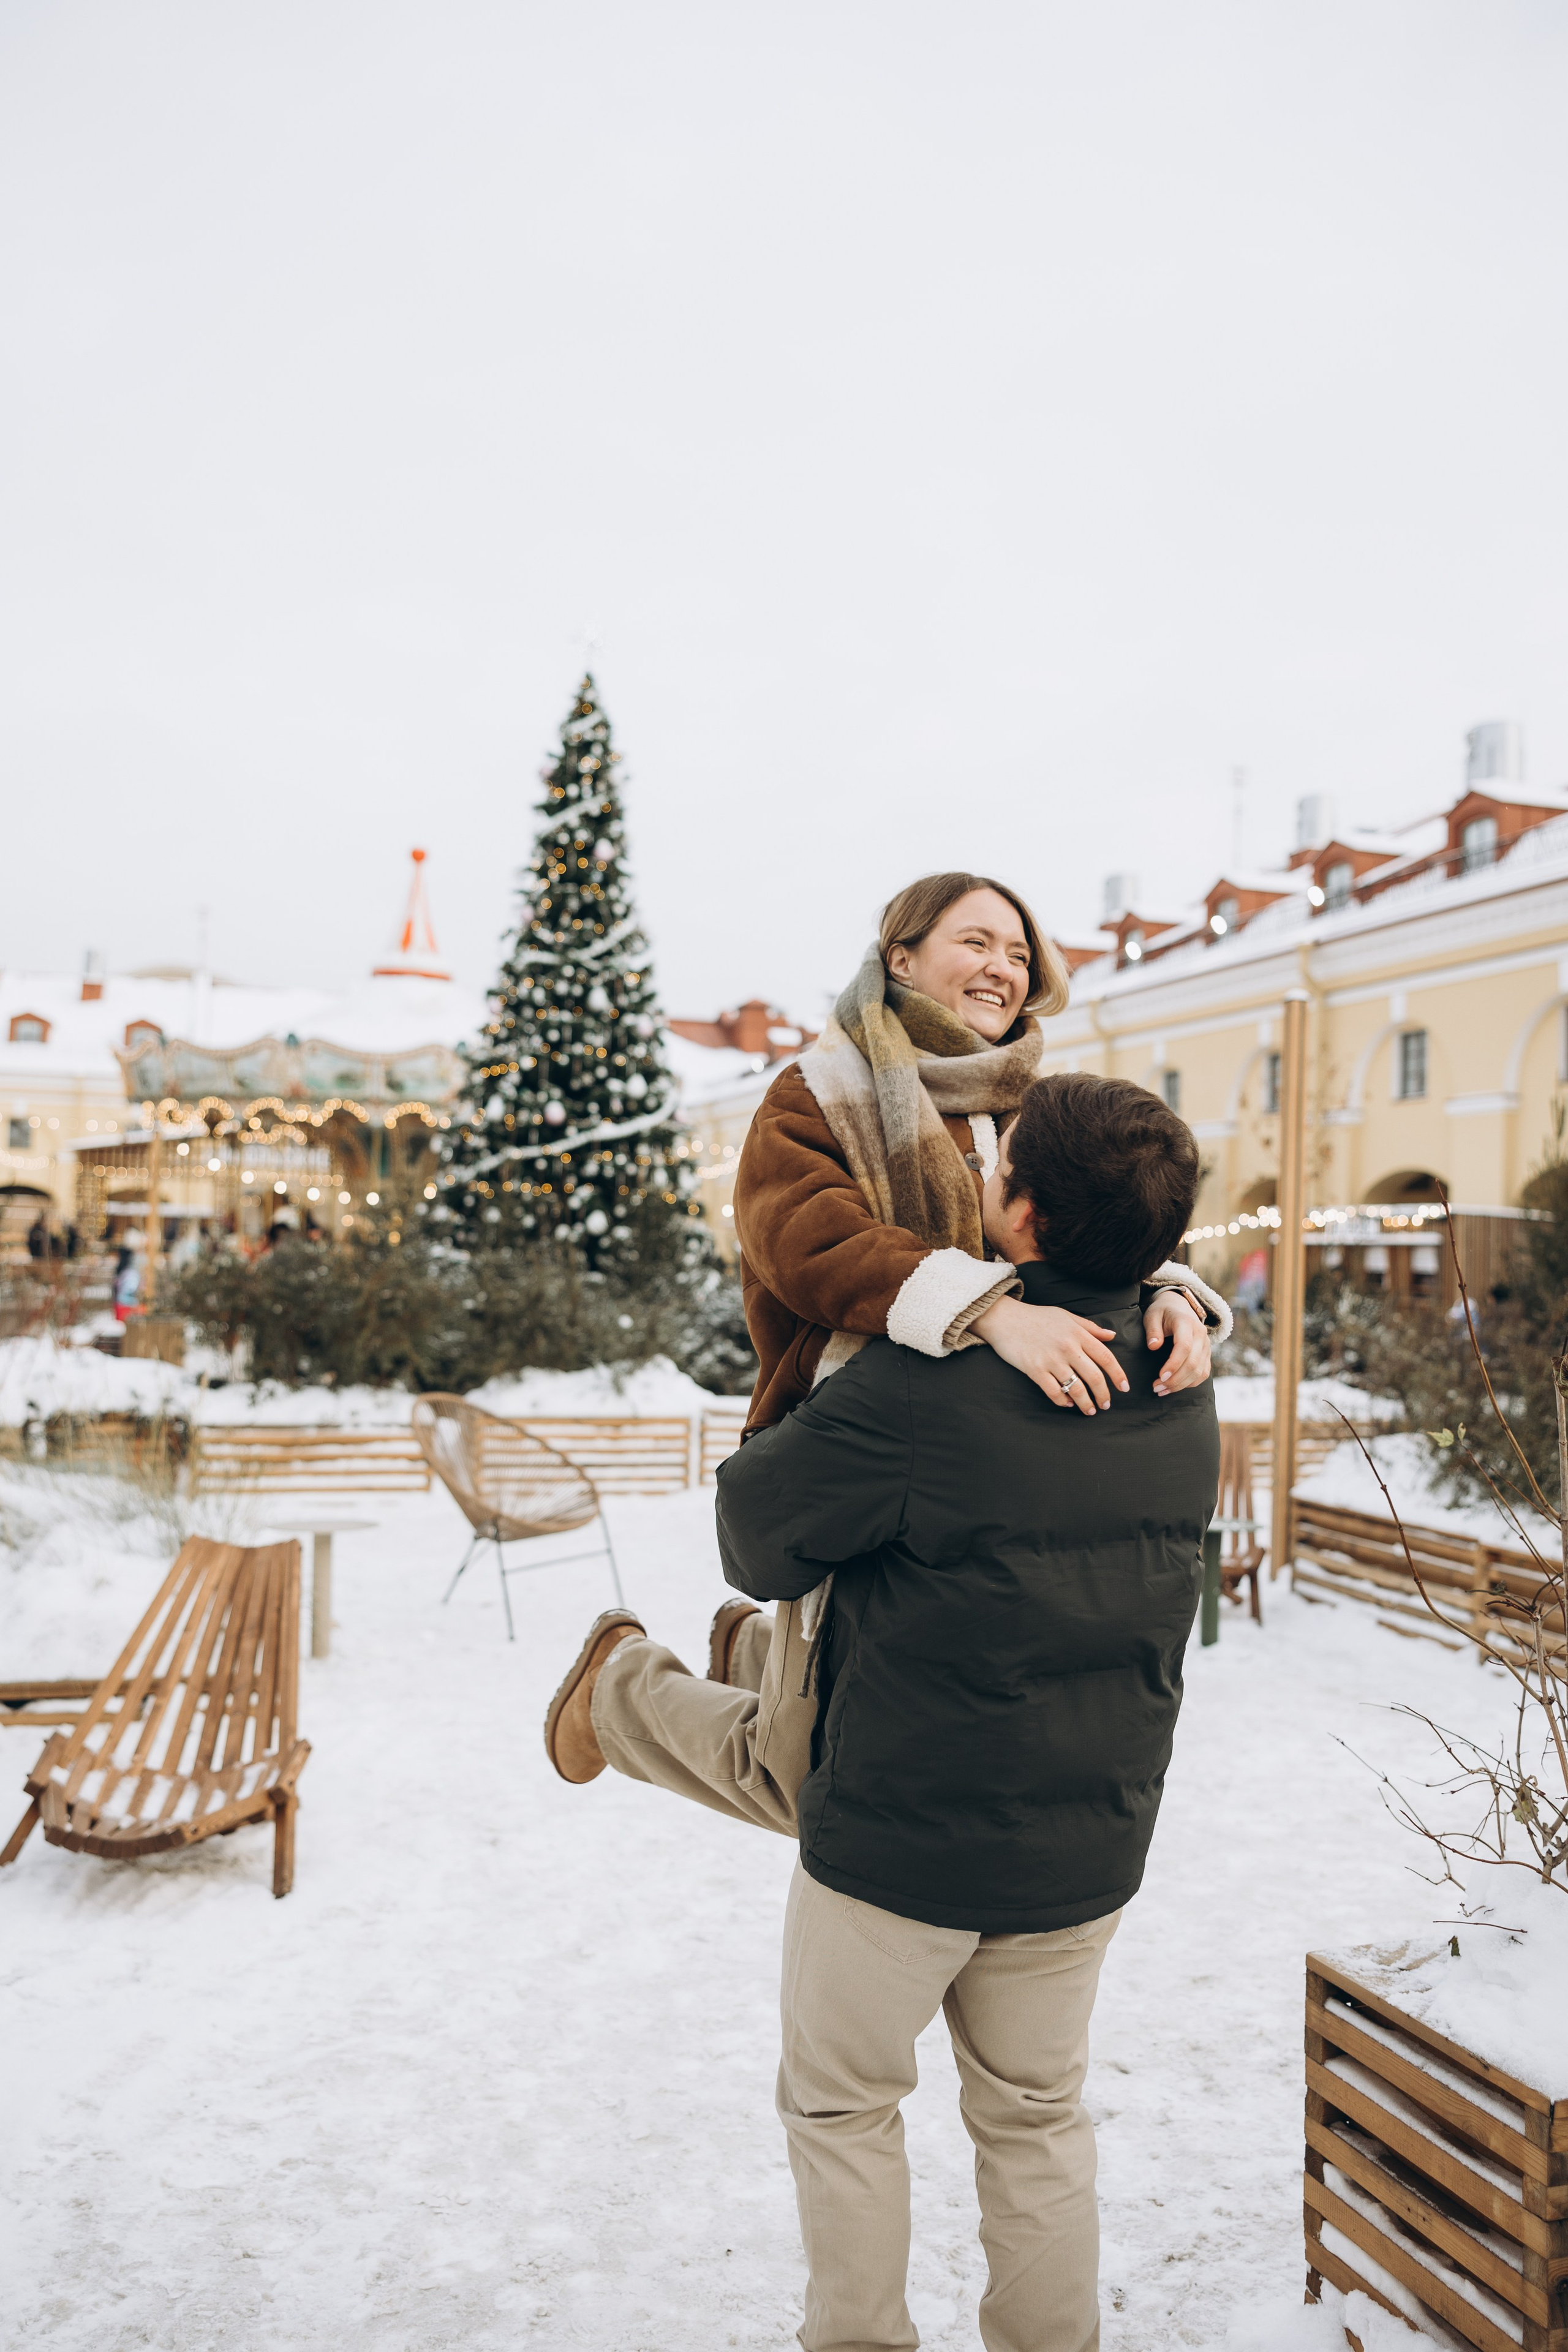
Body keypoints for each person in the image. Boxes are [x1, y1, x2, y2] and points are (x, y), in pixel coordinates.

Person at [554, 1072, 1218, 2351]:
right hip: (1085, 1848)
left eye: (997, 1159)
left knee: (844, 2109)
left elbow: (756, 1535)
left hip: (899, 1844)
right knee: (1035, 2123)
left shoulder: (929, 1389)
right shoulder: (1181, 1377)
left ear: (1014, 1212)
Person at [545, 876, 1227, 1816]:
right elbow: (807, 1245)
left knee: (903, 1723)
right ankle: (621, 1686)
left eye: (1020, 953)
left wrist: (1167, 1293)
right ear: (900, 957)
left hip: (995, 1454)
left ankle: (758, 1655)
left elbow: (1100, 1227)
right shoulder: (818, 1094)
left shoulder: (1035, 1106)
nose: (1002, 967)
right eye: (977, 942)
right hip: (855, 1434)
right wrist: (985, 1306)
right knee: (805, 1782)